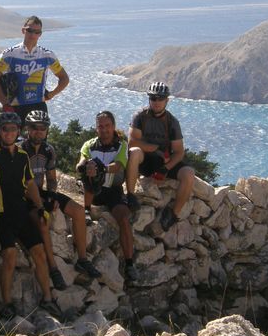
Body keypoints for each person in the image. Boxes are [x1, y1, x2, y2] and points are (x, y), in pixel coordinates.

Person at [0, 112, 61, 319]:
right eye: (5, 129)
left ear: (18, 131)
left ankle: (48, 299)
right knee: (10, 256)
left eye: (13, 129)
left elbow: (30, 183)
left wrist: (40, 207)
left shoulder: (23, 156)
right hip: (1, 213)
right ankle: (6, 304)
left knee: (39, 253)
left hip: (21, 211)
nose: (9, 133)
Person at [20, 110, 101, 289]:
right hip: (23, 196)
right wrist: (42, 203)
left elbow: (51, 178)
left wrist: (51, 195)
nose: (38, 131)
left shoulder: (48, 150)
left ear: (47, 130)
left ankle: (82, 259)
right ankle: (54, 269)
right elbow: (21, 184)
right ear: (27, 128)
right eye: (34, 127)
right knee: (43, 223)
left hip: (41, 192)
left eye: (42, 128)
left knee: (79, 211)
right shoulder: (20, 150)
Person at [76, 110, 138, 282]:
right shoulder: (89, 144)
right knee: (90, 171)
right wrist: (84, 167)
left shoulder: (121, 145)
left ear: (113, 126)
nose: (104, 130)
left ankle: (129, 263)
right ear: (96, 128)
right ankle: (86, 209)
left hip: (113, 190)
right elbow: (81, 161)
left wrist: (101, 168)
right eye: (100, 126)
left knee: (123, 218)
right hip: (93, 188)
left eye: (107, 126)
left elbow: (118, 165)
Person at [127, 82, 196, 231]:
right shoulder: (140, 117)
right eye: (153, 98)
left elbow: (179, 151)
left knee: (189, 174)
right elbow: (132, 142)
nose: (157, 102)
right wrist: (157, 148)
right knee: (134, 152)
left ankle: (173, 214)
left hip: (164, 162)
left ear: (167, 100)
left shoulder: (172, 122)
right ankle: (130, 196)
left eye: (161, 98)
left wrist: (166, 168)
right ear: (149, 99)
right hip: (145, 160)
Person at [0, 15, 69, 124]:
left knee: (38, 135)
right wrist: (4, 103)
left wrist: (51, 94)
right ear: (23, 30)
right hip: (14, 107)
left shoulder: (47, 55)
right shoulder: (9, 54)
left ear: (40, 34)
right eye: (30, 30)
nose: (33, 35)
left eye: (37, 32)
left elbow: (64, 78)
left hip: (38, 105)